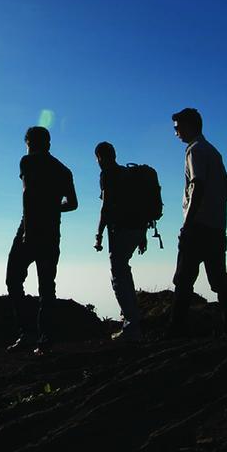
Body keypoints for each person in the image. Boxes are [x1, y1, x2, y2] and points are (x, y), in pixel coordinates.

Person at [6, 125, 77, 353]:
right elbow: (73, 204)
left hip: (30, 229)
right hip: (52, 232)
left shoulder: (28, 162)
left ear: (29, 143)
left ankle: (27, 333)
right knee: (47, 286)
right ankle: (45, 340)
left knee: (13, 279)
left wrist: (27, 229)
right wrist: (53, 207)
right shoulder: (64, 170)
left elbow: (27, 194)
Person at [169, 108, 227, 336]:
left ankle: (176, 331)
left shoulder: (195, 151)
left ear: (189, 125)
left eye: (177, 127)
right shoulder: (213, 151)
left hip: (197, 228)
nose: (176, 132)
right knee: (219, 279)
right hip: (217, 227)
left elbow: (197, 185)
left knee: (184, 279)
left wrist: (188, 224)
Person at [93, 141, 145, 342]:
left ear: (100, 157)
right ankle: (132, 321)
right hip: (136, 229)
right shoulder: (128, 174)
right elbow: (139, 206)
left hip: (120, 231)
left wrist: (98, 234)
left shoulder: (107, 174)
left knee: (118, 276)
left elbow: (105, 207)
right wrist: (142, 236)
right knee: (124, 270)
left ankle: (131, 327)